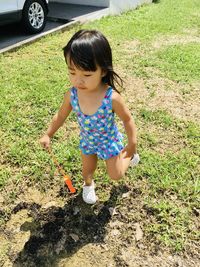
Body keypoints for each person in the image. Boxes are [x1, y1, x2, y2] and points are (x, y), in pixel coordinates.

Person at [40, 29, 140, 204]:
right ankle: (88, 185)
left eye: (86, 74)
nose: (78, 80)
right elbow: (61, 115)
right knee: (87, 169)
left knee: (115, 175)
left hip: (108, 141)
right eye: (72, 72)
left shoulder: (112, 98)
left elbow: (127, 119)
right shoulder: (72, 96)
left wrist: (132, 144)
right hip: (88, 140)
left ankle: (129, 156)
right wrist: (48, 133)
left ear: (102, 70)